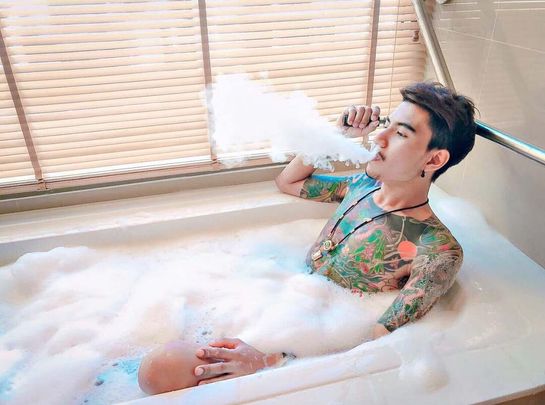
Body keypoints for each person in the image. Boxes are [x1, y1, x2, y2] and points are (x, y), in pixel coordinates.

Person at [138, 81, 476, 394]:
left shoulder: (437, 251)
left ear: (435, 159)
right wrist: (338, 134)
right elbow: (288, 181)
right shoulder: (362, 186)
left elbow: (377, 346)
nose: (379, 138)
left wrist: (269, 361)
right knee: (157, 366)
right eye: (386, 124)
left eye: (400, 133)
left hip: (295, 350)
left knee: (164, 374)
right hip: (272, 302)